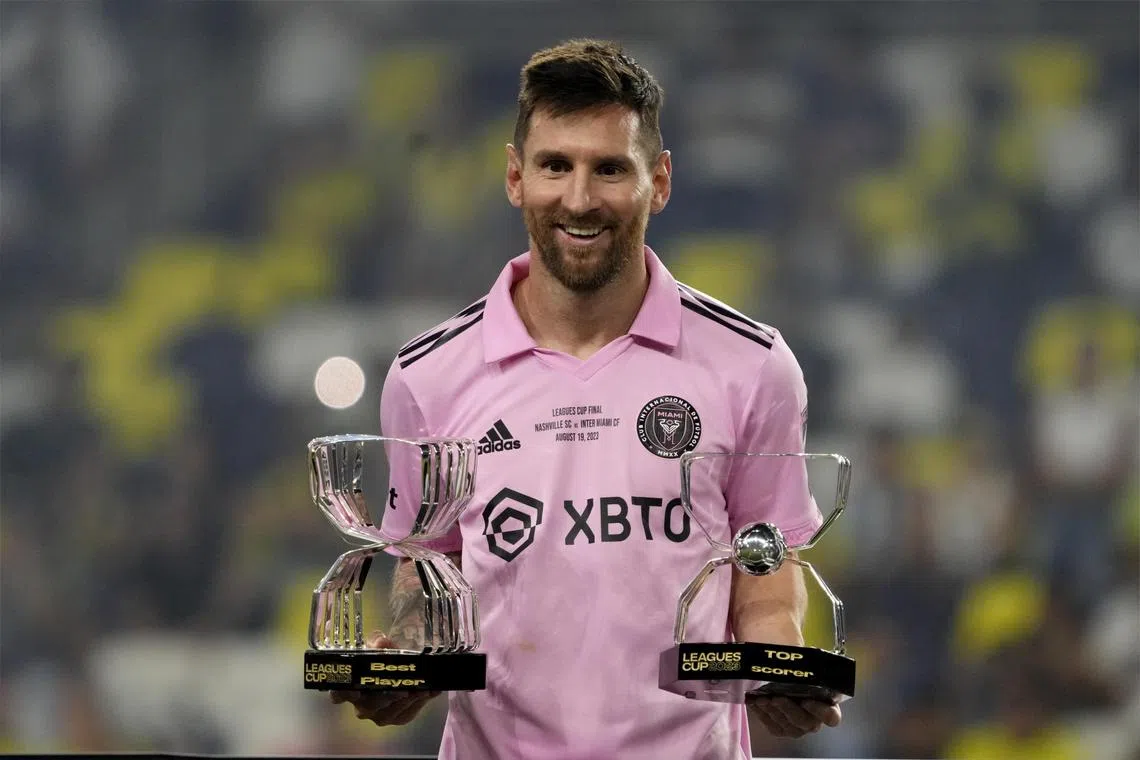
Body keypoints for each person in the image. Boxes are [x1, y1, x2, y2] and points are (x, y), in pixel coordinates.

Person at [331, 38, 842, 759]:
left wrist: (778, 666)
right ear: (515, 177)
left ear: (658, 182)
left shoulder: (752, 365)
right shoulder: (428, 376)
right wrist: (410, 656)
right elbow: (427, 559)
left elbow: (767, 552)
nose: (578, 199)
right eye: (554, 166)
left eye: (609, 169)